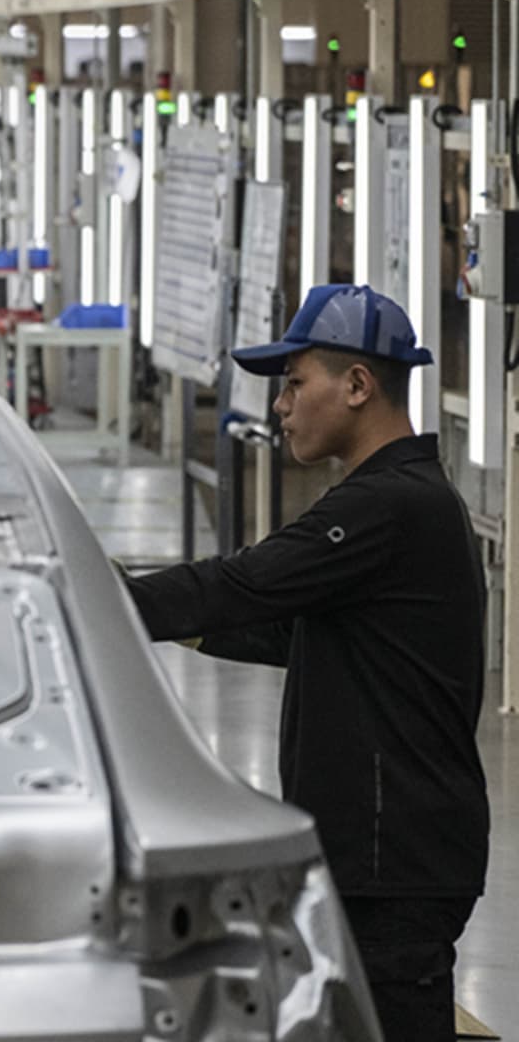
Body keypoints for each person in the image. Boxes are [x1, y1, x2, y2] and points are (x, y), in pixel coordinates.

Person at [122, 284, 487, 1042]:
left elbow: (244, 584)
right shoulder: (399, 500)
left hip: (395, 861)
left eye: (294, 383)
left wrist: (98, 599)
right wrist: (173, 622)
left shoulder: (388, 505)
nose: (281, 407)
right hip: (386, 855)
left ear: (357, 385)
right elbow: (288, 631)